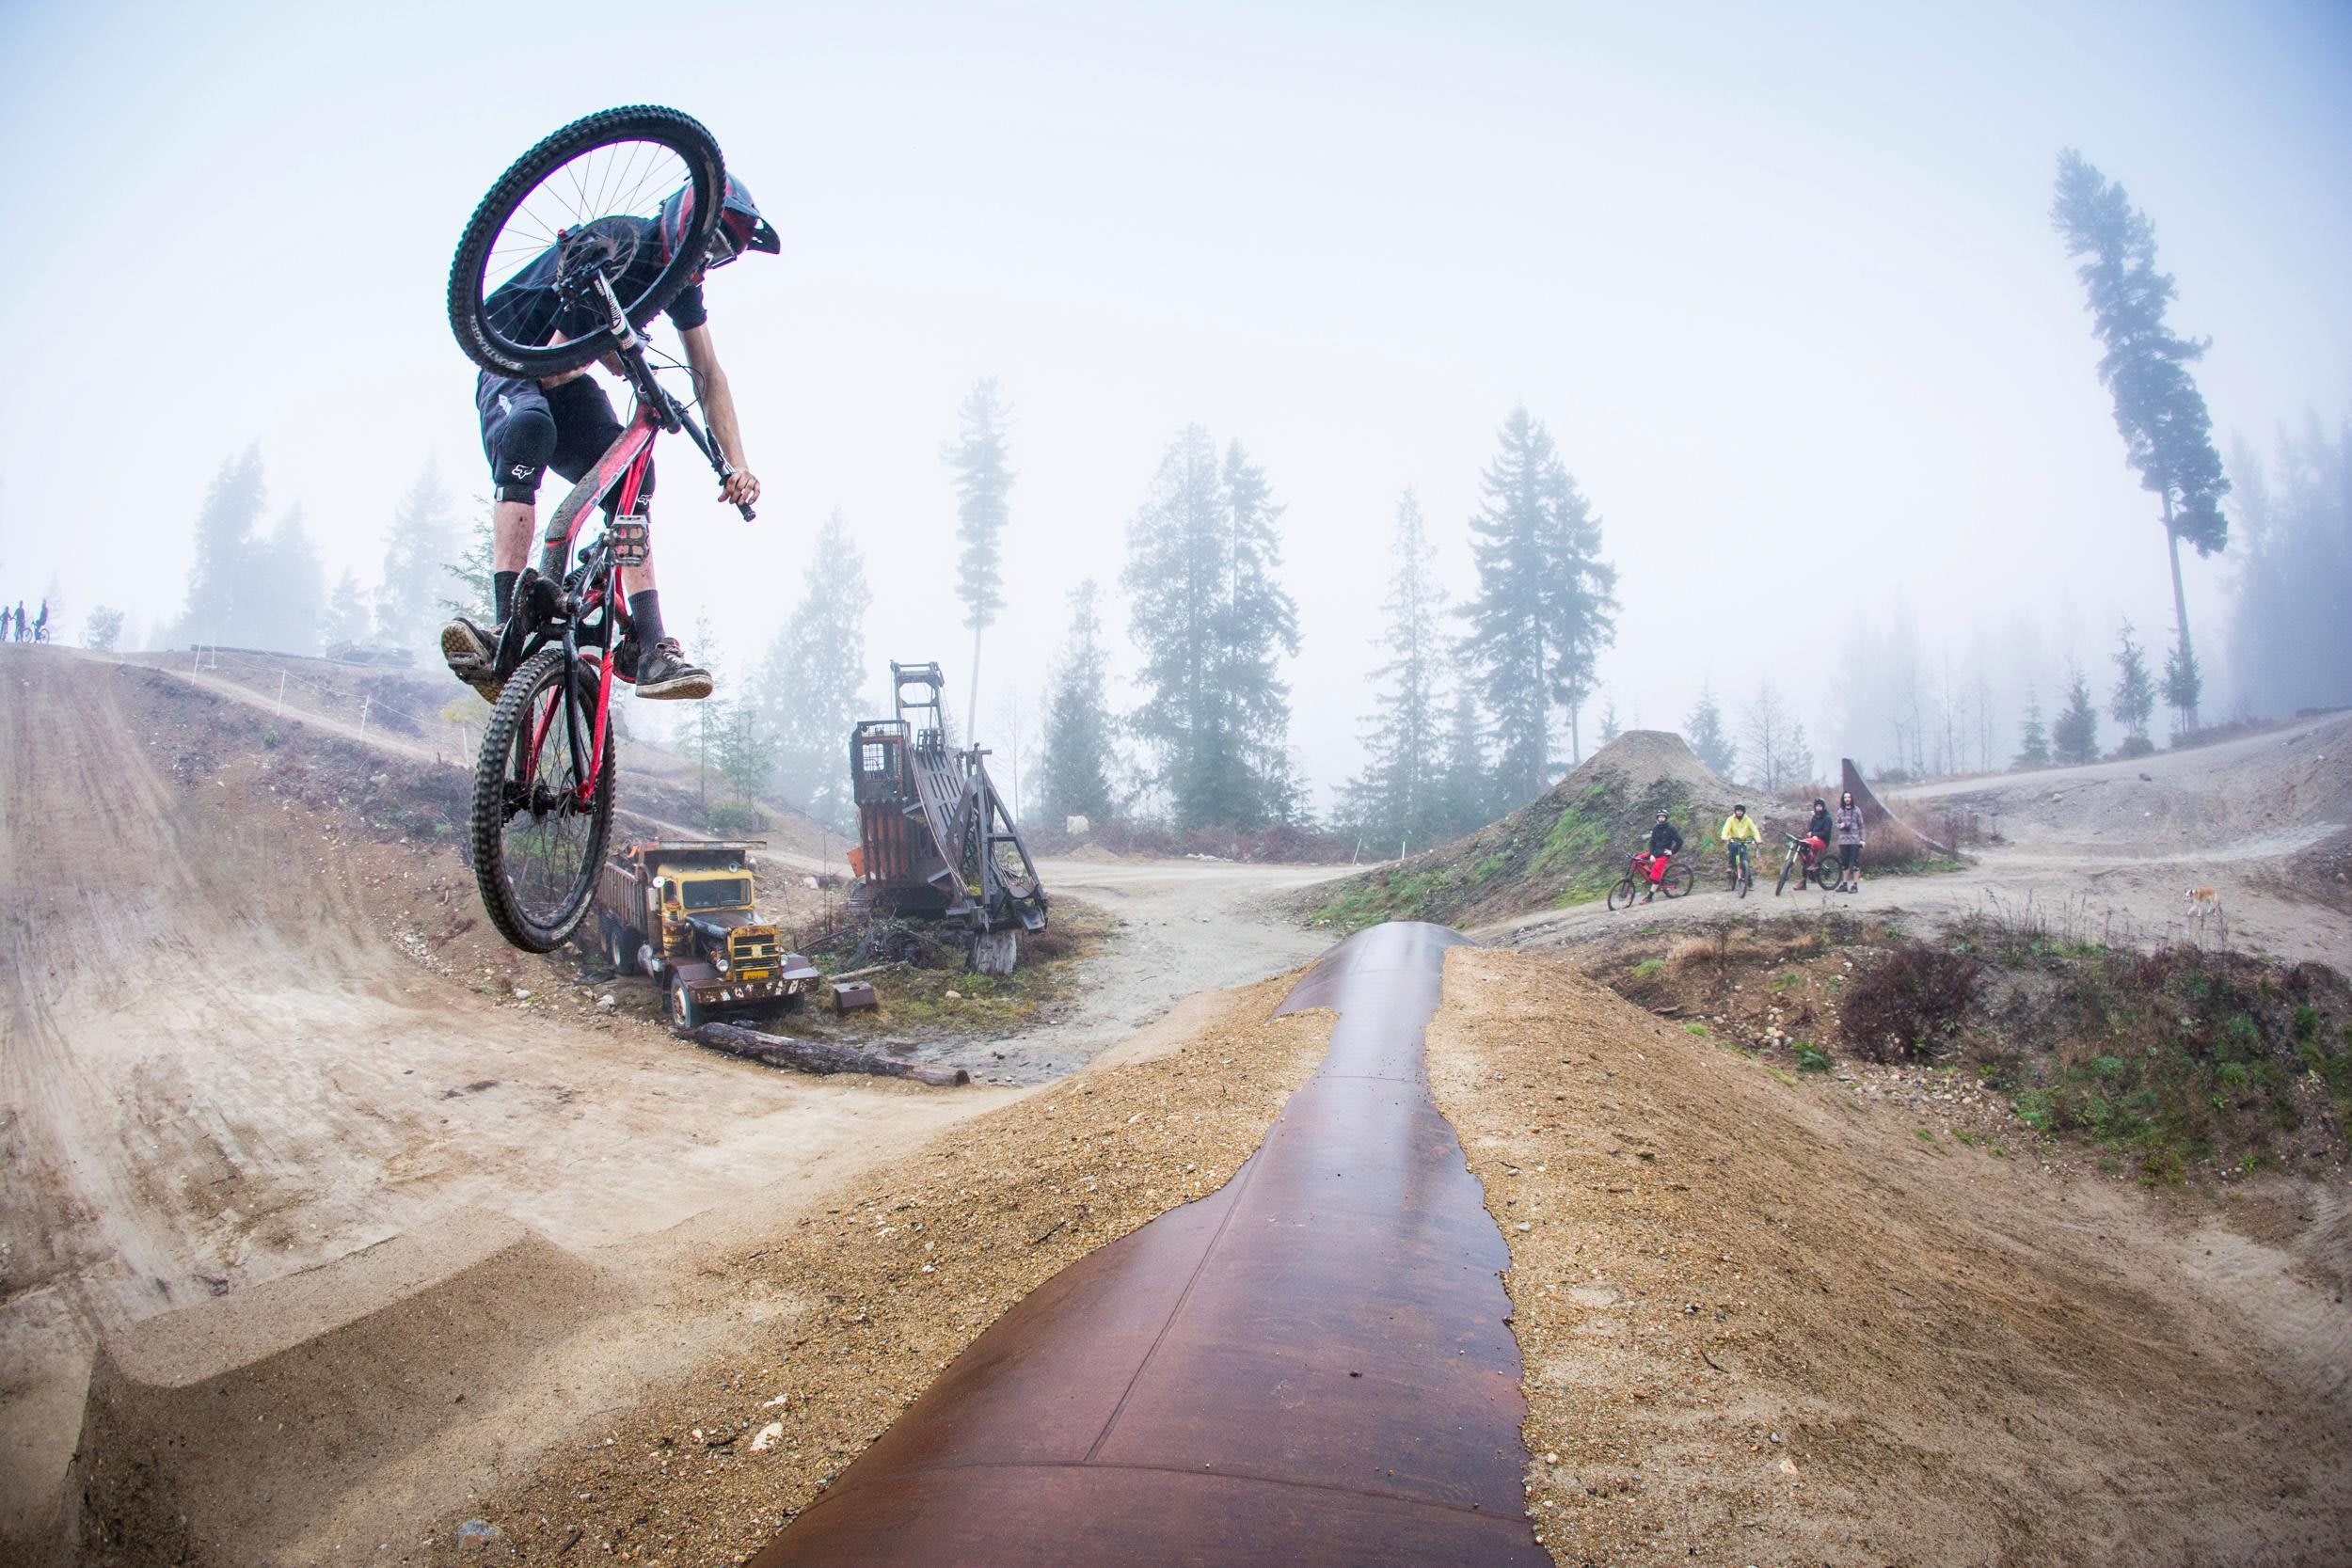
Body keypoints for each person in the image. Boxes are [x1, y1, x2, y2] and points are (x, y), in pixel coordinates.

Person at [441, 175, 779, 705]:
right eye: (708, 240)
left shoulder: (681, 281)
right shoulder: (618, 245)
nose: (706, 258)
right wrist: (620, 352)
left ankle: (650, 645)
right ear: (684, 219)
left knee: (635, 476)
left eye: (719, 253)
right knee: (532, 428)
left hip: (566, 371)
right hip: (514, 355)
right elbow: (553, 367)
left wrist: (738, 463)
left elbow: (707, 372)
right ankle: (503, 632)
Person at [1641, 809, 1683, 901]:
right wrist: (1651, 854)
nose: (1661, 819)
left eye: (1663, 817)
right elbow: (1652, 843)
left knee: (1656, 874)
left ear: (1666, 818)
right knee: (1638, 859)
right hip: (1654, 852)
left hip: (1663, 854)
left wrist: (1672, 851)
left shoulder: (1671, 829)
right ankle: (1649, 876)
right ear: (1657, 818)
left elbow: (1679, 841)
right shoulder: (1656, 828)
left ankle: (1650, 896)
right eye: (1660, 817)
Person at [1720, 802, 1761, 886]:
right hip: (1733, 841)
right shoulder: (1730, 819)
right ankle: (1730, 866)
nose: (1739, 812)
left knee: (1745, 861)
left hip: (1743, 842)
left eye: (1740, 811)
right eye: (1737, 810)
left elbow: (1754, 830)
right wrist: (1724, 837)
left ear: (1743, 812)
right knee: (1733, 849)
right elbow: (1725, 829)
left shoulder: (1748, 820)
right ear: (1735, 811)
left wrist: (1758, 839)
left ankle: (1749, 882)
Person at [1835, 789, 1866, 893]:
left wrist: (1862, 839)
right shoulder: (1840, 811)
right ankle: (1844, 884)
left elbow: (1861, 826)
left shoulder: (1857, 810)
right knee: (1845, 864)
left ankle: (1855, 885)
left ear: (1851, 799)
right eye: (1845, 797)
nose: (1847, 799)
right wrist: (1841, 826)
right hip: (1843, 841)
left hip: (1854, 840)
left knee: (1855, 863)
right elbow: (1836, 824)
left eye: (1849, 797)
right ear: (1843, 799)